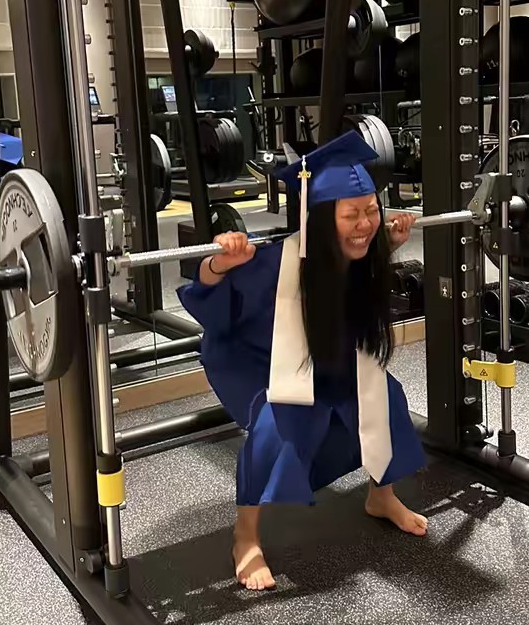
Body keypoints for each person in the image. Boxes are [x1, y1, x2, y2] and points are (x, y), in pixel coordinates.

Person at [177, 131, 428, 591]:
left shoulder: (361, 251)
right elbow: (210, 299)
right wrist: (220, 263)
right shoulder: (277, 262)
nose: (365, 223)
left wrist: (389, 242)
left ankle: (381, 495)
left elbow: (349, 274)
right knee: (279, 422)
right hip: (263, 364)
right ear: (322, 219)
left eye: (372, 210)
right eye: (351, 215)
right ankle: (245, 535)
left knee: (385, 395)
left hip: (327, 357)